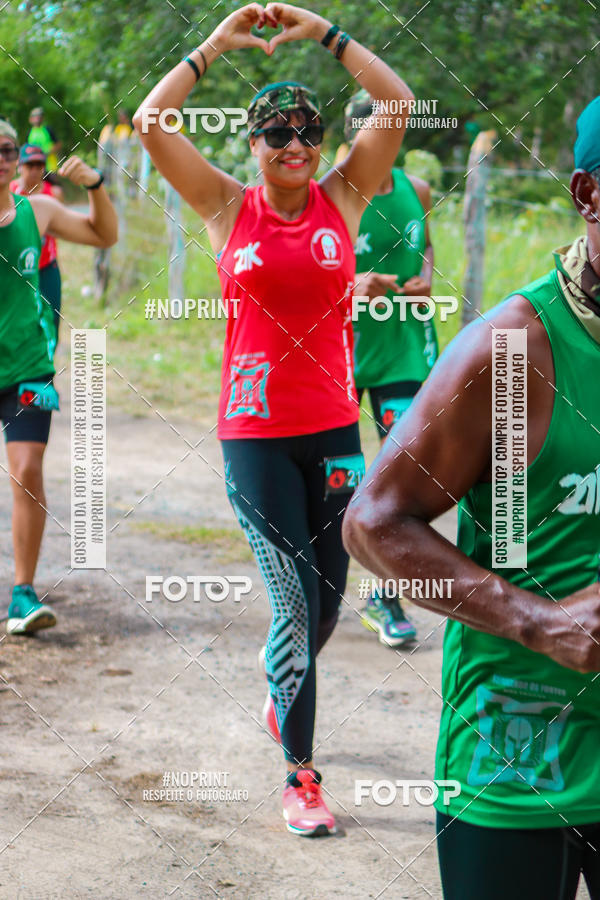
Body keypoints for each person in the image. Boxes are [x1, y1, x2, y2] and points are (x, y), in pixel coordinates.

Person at [134, 1, 413, 837]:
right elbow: (151, 121)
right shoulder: (225, 207)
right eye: (276, 132)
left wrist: (326, 33)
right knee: (293, 604)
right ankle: (301, 778)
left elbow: (395, 104)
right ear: (251, 144)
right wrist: (215, 46)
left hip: (332, 432)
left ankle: (278, 687)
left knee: (326, 606)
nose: (295, 144)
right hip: (252, 436)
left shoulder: (346, 197)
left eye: (308, 131)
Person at [343, 95, 600, 899]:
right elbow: (372, 526)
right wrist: (541, 621)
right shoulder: (516, 346)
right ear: (587, 193)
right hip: (520, 753)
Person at [0, 119, 118, 635]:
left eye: (7, 149)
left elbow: (103, 234)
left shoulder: (37, 210)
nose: (3, 157)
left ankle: (22, 594)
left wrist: (95, 186)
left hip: (29, 364)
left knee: (26, 469)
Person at [342, 90, 438, 649]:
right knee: (335, 473)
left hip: (402, 346)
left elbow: (426, 247)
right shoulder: (332, 192)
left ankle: (385, 597)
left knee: (399, 470)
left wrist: (425, 277)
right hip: (338, 349)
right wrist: (350, 286)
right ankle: (317, 586)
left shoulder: (416, 189)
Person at [10, 144, 64, 339]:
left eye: (39, 165)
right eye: (29, 165)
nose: (34, 170)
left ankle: (48, 361)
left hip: (46, 266)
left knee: (52, 320)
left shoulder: (54, 194)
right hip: (15, 269)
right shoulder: (8, 192)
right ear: (19, 166)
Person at [27, 107, 61, 172]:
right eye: (35, 116)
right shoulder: (29, 133)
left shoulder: (48, 129)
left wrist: (47, 153)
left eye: (40, 116)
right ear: (30, 119)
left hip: (50, 167)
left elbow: (58, 144)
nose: (38, 118)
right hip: (35, 168)